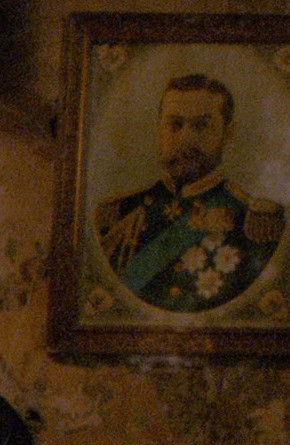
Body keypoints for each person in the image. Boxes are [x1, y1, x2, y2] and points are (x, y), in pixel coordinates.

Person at [96, 73, 283, 313]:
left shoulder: (253, 223)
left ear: (228, 132)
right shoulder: (120, 213)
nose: (185, 138)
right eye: (175, 124)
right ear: (159, 129)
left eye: (201, 125)